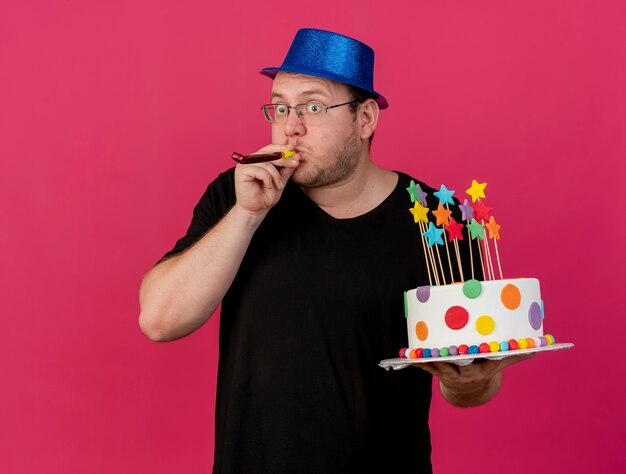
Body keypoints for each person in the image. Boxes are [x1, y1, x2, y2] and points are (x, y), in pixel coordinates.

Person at [139, 28, 532, 473]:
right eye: (281, 106)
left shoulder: (437, 220)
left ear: (365, 119)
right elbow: (158, 320)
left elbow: (470, 388)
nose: (291, 126)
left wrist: (470, 382)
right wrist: (247, 215)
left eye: (313, 105)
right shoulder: (238, 195)